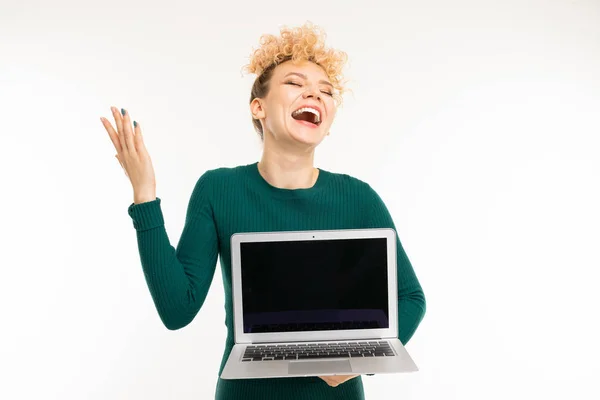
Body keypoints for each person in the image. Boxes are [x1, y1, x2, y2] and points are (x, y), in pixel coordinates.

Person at [100, 21, 426, 400]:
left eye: (326, 91)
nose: (314, 94)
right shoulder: (218, 190)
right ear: (259, 107)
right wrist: (145, 195)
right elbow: (178, 309)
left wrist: (355, 360)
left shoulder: (359, 198)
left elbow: (410, 298)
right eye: (294, 83)